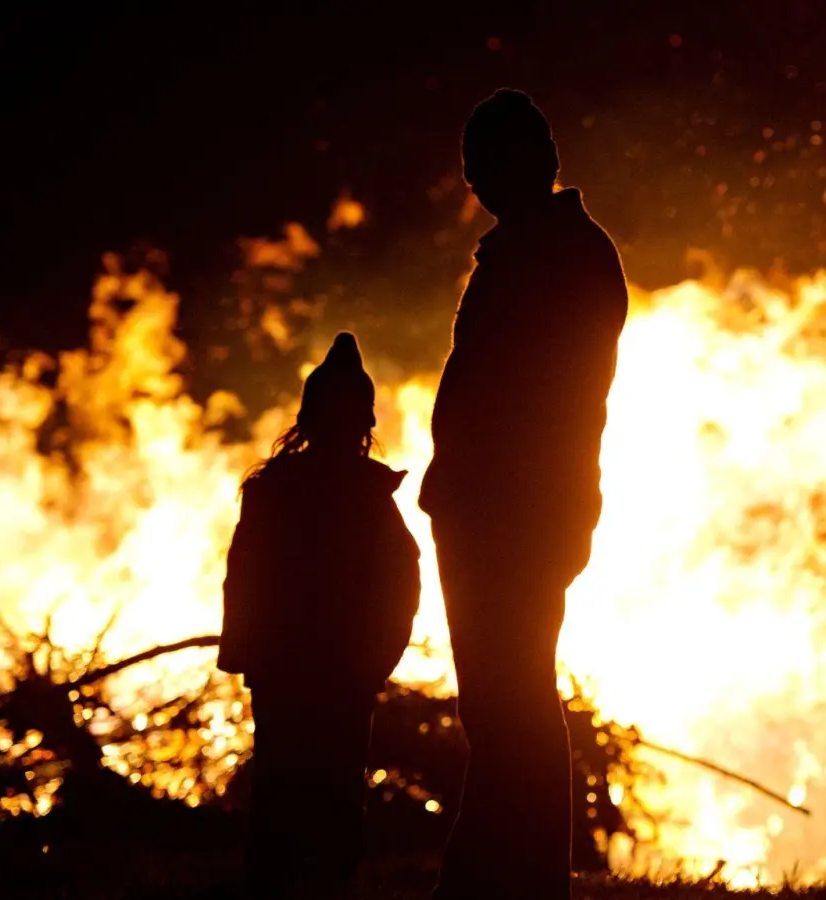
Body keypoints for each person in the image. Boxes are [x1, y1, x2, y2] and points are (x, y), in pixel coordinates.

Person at [418, 88, 629, 899]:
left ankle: (503, 879)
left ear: (537, 161)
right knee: (504, 701)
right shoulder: (539, 250)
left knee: (510, 702)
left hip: (516, 512)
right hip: (495, 509)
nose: (475, 180)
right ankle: (514, 876)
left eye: (487, 161)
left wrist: (500, 493)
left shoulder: (559, 256)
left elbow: (543, 396)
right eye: (471, 164)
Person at [219, 332, 421, 899]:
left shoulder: (272, 491)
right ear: (365, 426)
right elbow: (402, 586)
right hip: (339, 674)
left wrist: (247, 654)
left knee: (281, 785)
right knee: (331, 791)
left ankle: (275, 885)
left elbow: (244, 578)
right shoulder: (366, 499)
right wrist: (376, 661)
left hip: (290, 670)